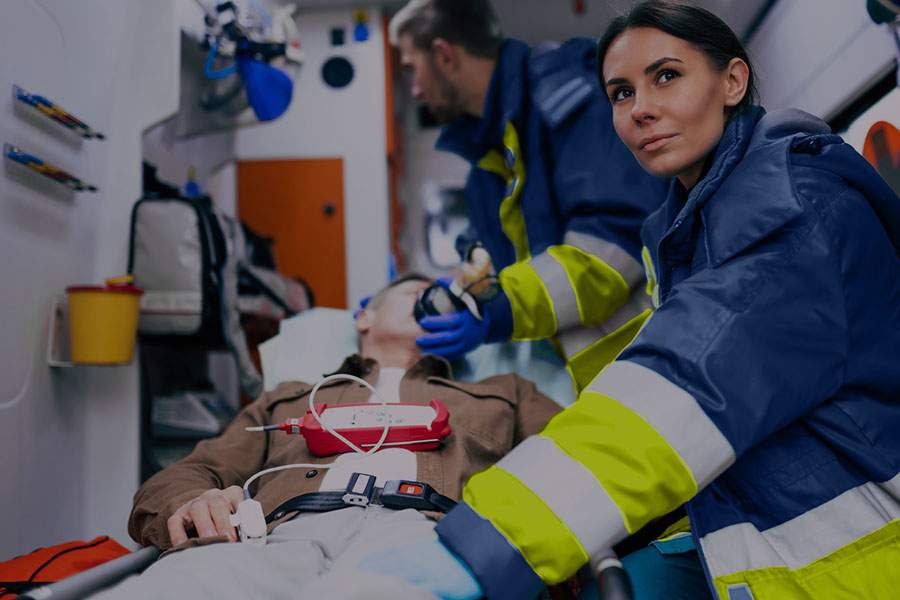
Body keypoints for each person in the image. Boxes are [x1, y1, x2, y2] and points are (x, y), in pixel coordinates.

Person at [365, 2, 900, 599]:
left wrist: (488, 545)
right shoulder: (685, 225)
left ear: (733, 81)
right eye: (620, 93)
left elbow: (690, 376)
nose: (639, 108)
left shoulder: (796, 208)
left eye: (666, 76)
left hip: (857, 538)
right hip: (743, 490)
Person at [92, 275, 561, 599]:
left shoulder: (504, 393)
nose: (433, 304)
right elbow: (186, 475)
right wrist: (191, 503)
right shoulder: (290, 399)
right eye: (418, 293)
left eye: (444, 301)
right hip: (277, 537)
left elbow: (569, 460)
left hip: (427, 536)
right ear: (364, 317)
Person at [390, 0, 668, 391]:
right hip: (581, 379)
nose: (415, 90)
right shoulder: (487, 164)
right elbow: (487, 260)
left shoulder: (566, 94)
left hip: (645, 365)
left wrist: (497, 313)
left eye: (411, 68)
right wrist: (445, 294)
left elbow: (608, 251)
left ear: (444, 55)